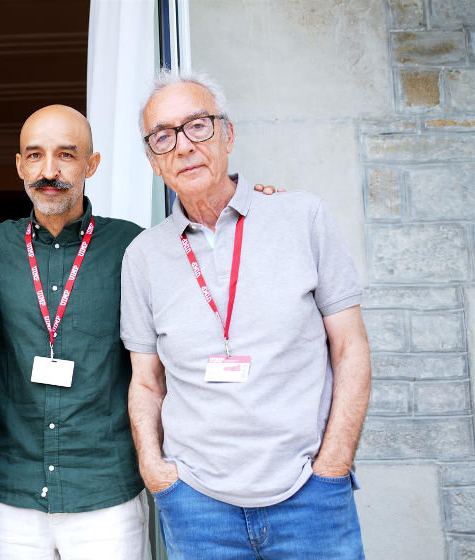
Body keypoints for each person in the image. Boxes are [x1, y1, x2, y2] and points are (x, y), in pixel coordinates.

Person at [121, 70, 370, 559]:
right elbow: (146, 383)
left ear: (228, 134)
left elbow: (350, 348)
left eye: (198, 126)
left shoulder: (304, 218)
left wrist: (334, 462)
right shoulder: (143, 256)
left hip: (310, 496)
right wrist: (156, 469)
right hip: (196, 506)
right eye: (163, 137)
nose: (184, 146)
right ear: (153, 161)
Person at [0, 105, 148, 559]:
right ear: (20, 164)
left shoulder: (133, 247)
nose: (49, 171)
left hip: (106, 494)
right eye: (35, 155)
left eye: (66, 155)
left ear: (92, 164)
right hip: (10, 493)